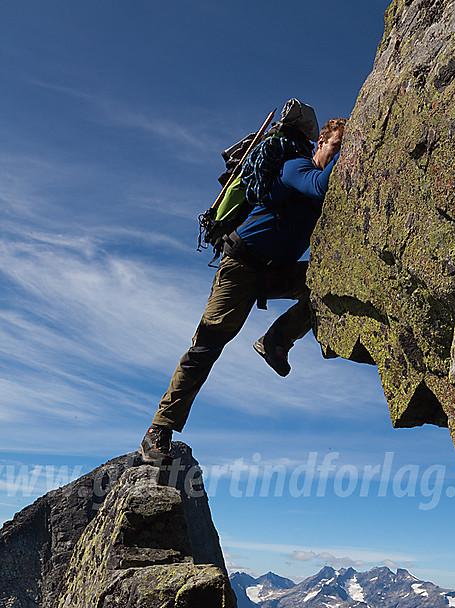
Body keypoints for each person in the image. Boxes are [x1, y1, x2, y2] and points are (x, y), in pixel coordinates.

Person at [139, 104, 346, 465]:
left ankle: (276, 341)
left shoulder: (313, 177)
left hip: (273, 270)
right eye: (336, 145)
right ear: (320, 142)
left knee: (330, 284)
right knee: (207, 346)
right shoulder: (295, 167)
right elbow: (319, 184)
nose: (339, 154)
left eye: (344, 149)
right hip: (240, 266)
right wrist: (356, 155)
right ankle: (159, 429)